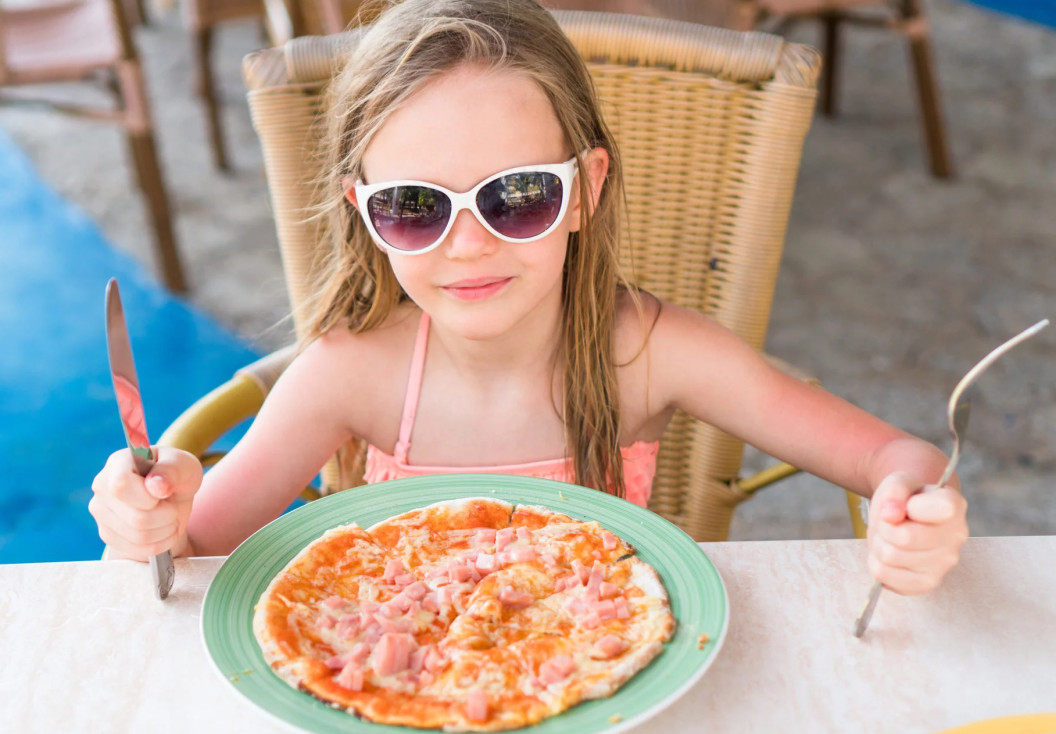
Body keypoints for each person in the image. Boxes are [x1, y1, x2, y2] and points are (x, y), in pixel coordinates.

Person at [89, 0, 966, 596]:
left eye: (516, 196)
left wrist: (911, 510)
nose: (469, 243)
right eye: (414, 206)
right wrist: (148, 522)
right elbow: (186, 556)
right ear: (364, 212)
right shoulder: (348, 374)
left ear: (586, 189)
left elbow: (901, 456)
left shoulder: (649, 354)